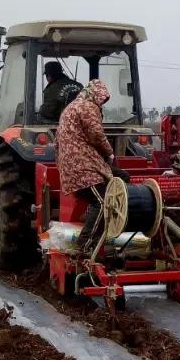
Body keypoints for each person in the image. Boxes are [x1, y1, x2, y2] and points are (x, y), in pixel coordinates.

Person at [54, 79, 118, 254]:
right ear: (96, 94)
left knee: (101, 196)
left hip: (73, 165)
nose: (102, 102)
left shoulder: (72, 107)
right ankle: (85, 245)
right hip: (83, 167)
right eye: (102, 98)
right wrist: (110, 153)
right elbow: (96, 133)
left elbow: (57, 143)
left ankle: (95, 242)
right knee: (103, 202)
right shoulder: (88, 106)